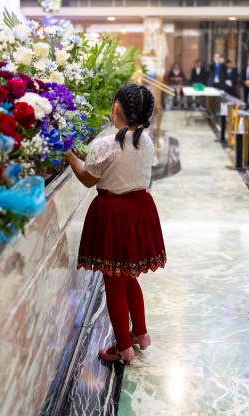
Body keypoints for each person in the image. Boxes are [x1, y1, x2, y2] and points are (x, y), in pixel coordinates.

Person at [64, 84, 166, 364]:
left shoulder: (106, 144)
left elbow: (88, 178)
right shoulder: (145, 141)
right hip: (139, 210)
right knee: (129, 274)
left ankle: (123, 348)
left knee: (113, 283)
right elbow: (113, 164)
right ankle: (140, 334)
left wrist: (71, 157)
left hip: (113, 214)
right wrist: (86, 158)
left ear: (116, 109)